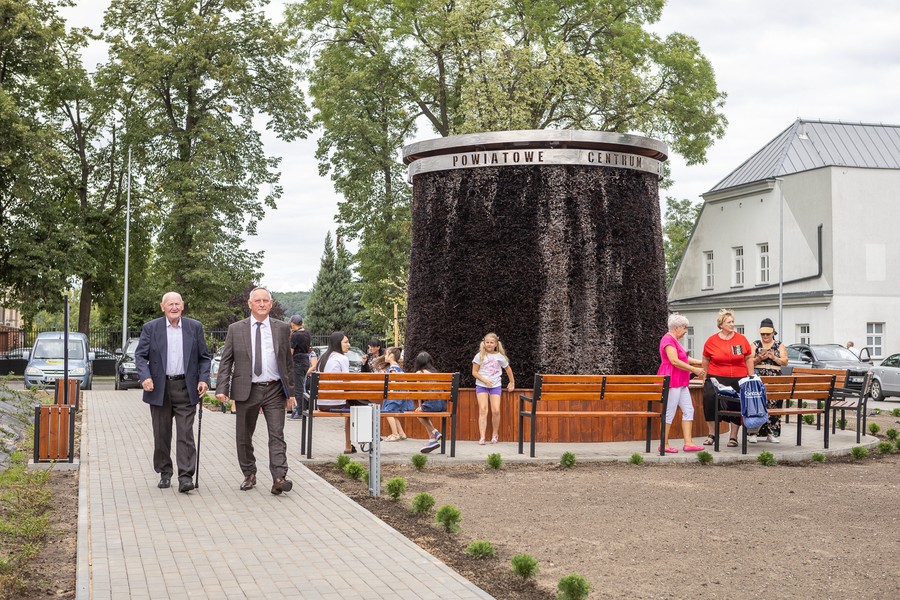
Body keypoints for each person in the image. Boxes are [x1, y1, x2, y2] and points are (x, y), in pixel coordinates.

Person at [215, 287, 296, 495]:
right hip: (246, 389)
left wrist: (292, 393)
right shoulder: (236, 329)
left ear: (270, 304)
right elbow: (226, 361)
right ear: (250, 304)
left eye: (266, 301)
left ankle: (279, 477)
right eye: (257, 301)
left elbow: (288, 363)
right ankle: (249, 473)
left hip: (274, 389)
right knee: (244, 436)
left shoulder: (281, 328)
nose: (262, 304)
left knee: (276, 434)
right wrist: (222, 388)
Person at [135, 291, 211, 493]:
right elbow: (140, 356)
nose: (174, 307)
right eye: (170, 304)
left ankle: (186, 476)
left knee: (185, 433)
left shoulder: (194, 327)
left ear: (183, 305)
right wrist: (145, 377)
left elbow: (204, 357)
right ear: (163, 307)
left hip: (186, 388)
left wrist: (204, 379)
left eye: (177, 303)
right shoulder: (151, 328)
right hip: (159, 388)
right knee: (162, 433)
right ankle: (165, 472)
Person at [701, 309, 755, 448]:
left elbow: (748, 357)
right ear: (721, 324)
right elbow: (706, 358)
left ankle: (733, 436)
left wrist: (751, 376)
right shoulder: (712, 340)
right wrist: (704, 376)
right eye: (729, 322)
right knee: (709, 400)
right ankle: (712, 434)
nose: (732, 325)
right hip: (716, 377)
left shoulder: (741, 339)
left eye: (733, 322)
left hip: (738, 377)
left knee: (736, 405)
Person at [657, 314, 706, 453]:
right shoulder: (668, 339)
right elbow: (674, 360)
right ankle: (664, 444)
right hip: (672, 380)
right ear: (676, 327)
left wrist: (701, 362)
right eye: (684, 328)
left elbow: (685, 357)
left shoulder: (675, 340)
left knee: (689, 410)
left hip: (681, 381)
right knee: (669, 412)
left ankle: (688, 442)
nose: (685, 331)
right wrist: (694, 369)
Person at [315, 331, 358, 454]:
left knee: (353, 404)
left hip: (322, 403)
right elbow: (347, 382)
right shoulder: (342, 358)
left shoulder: (323, 358)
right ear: (337, 344)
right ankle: (348, 445)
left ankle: (350, 444)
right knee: (358, 406)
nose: (348, 345)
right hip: (336, 403)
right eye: (345, 342)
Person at [472, 333, 515, 445]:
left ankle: (495, 434)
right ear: (484, 343)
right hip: (482, 386)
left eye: (492, 342)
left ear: (496, 344)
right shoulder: (479, 356)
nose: (489, 344)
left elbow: (508, 369)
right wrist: (485, 380)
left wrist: (512, 382)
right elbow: (474, 372)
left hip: (495, 386)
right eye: (487, 342)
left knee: (496, 410)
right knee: (483, 409)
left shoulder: (500, 356)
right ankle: (482, 437)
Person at [753, 318, 788, 443]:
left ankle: (771, 433)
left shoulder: (779, 345)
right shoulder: (755, 344)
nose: (765, 336)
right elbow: (748, 361)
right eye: (763, 334)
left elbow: (785, 361)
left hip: (774, 378)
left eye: (768, 334)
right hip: (759, 378)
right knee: (757, 404)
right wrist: (758, 359)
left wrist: (774, 358)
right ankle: (754, 432)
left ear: (773, 333)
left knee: (774, 405)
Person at [414, 351, 447, 453]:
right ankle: (432, 440)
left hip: (433, 403)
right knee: (424, 415)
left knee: (419, 414)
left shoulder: (419, 373)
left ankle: (435, 432)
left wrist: (420, 406)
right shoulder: (435, 372)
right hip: (442, 404)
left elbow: (419, 392)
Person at [288, 315, 311, 420]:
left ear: (293, 323)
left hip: (297, 361)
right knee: (302, 385)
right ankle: (300, 409)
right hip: (306, 360)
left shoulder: (295, 335)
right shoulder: (307, 333)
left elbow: (291, 352)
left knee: (298, 387)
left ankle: (300, 411)